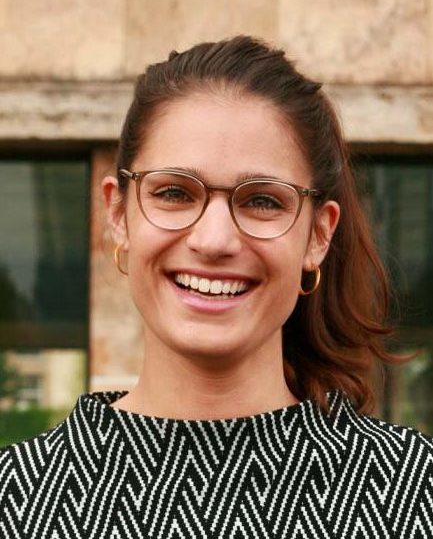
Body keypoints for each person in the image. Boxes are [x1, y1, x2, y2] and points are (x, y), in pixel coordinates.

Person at [1, 36, 432, 538]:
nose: (214, 240)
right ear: (118, 213)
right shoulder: (16, 499)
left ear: (318, 235)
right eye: (174, 193)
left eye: (263, 201)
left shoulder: (414, 493)